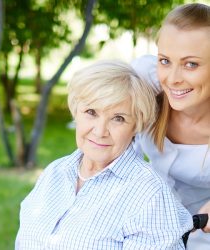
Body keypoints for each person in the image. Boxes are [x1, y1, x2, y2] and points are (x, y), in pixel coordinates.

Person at [15, 60, 192, 249]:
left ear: (136, 125)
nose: (100, 131)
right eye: (91, 112)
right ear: (76, 112)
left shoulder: (149, 195)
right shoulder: (54, 173)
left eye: (118, 118)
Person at [131, 3, 210, 249]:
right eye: (165, 60)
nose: (173, 78)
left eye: (191, 64)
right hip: (143, 222)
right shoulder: (144, 81)